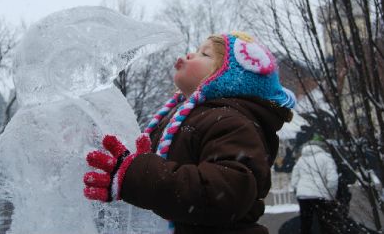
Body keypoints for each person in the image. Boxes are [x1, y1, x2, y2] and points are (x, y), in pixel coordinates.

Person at [83, 31, 296, 233]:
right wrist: (124, 179)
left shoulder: (230, 123)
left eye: (205, 53)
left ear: (228, 79)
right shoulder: (183, 121)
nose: (190, 54)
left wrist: (139, 176)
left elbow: (224, 192)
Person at [291, 135, 340, 234]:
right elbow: (332, 179)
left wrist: (298, 190)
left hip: (303, 195)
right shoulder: (326, 158)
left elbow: (294, 179)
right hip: (320, 194)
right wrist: (331, 195)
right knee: (325, 223)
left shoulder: (301, 159)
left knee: (306, 223)